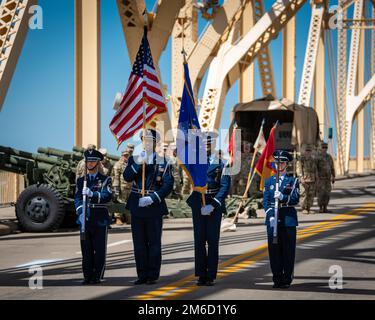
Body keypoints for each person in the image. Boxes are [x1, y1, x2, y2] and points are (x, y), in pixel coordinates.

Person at [123, 129, 174, 285]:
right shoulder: (135, 159)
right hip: (137, 205)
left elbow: (168, 185)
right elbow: (126, 177)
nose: (147, 143)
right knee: (139, 243)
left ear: (155, 143)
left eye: (150, 140)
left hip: (153, 206)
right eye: (144, 140)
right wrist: (138, 164)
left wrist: (152, 198)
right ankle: (142, 274)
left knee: (153, 243)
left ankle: (152, 275)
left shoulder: (164, 162)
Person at [186, 132, 231, 286]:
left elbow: (225, 186)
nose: (206, 145)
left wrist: (213, 205)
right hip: (199, 202)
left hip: (213, 203)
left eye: (209, 142)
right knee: (199, 240)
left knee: (212, 241)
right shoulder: (195, 162)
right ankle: (201, 274)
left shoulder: (223, 163)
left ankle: (210, 275)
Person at [74, 149, 112, 285]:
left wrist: (93, 195)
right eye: (88, 161)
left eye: (92, 161)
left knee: (99, 250)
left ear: (98, 162)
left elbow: (107, 196)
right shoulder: (80, 181)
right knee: (86, 249)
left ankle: (97, 275)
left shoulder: (105, 179)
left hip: (99, 218)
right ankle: (87, 275)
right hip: (85, 218)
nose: (90, 164)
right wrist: (80, 211)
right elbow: (77, 198)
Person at [263, 150, 300, 289]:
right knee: (274, 251)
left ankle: (286, 278)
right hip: (273, 219)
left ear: (286, 164)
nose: (279, 165)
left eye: (282, 162)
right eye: (277, 162)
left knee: (288, 251)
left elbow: (296, 199)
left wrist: (283, 197)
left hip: (288, 219)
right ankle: (277, 278)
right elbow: (266, 201)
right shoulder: (269, 181)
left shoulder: (293, 180)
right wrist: (270, 215)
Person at [112, 148, 133, 225]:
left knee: (130, 202)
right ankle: (118, 218)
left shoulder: (130, 164)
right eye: (124, 155)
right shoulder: (118, 164)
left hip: (130, 186)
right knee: (120, 202)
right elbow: (116, 177)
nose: (126, 157)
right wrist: (116, 187)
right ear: (122, 156)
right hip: (122, 187)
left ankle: (129, 218)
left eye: (127, 155)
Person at [296, 144, 318, 214]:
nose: (308, 152)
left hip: (312, 179)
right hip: (304, 180)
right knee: (304, 194)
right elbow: (299, 169)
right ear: (304, 151)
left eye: (309, 150)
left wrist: (316, 178)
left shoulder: (313, 159)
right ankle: (304, 208)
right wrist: (301, 177)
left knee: (310, 195)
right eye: (307, 150)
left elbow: (315, 169)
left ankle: (308, 208)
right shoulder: (301, 159)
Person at [316, 142, 335, 213]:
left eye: (325, 148)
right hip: (321, 179)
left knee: (327, 194)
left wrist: (333, 176)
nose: (324, 149)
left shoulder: (329, 157)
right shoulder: (318, 157)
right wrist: (316, 177)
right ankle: (320, 208)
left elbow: (332, 167)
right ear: (321, 148)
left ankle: (325, 207)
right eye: (323, 147)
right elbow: (315, 168)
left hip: (328, 179)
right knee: (321, 194)